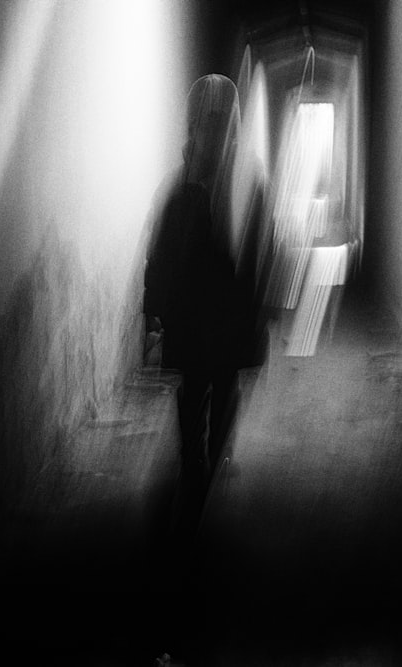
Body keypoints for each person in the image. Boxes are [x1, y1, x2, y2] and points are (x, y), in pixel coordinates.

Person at [144, 73, 270, 541]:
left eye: (217, 121)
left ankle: (203, 465)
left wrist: (257, 305)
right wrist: (155, 305)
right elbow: (163, 249)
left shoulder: (231, 179)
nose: (212, 129)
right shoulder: (195, 182)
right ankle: (198, 467)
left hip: (220, 311)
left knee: (212, 387)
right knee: (200, 389)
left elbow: (259, 248)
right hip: (203, 312)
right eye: (206, 120)